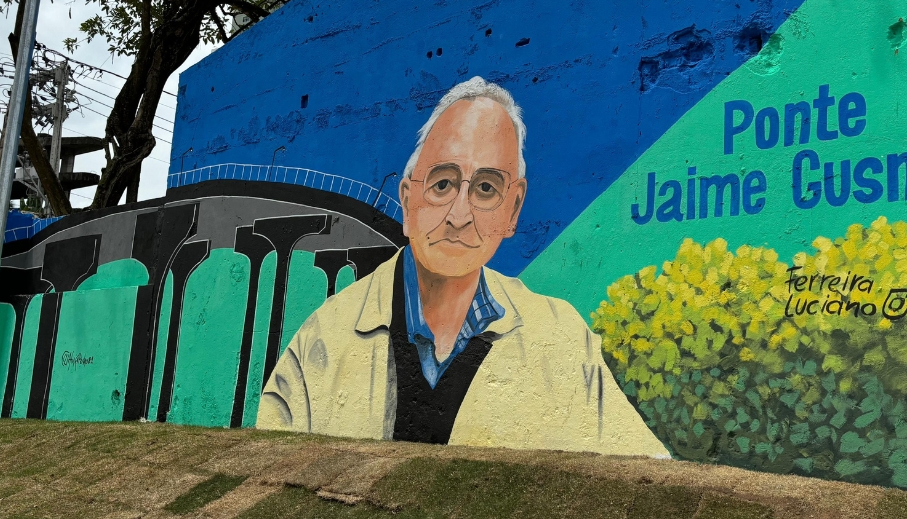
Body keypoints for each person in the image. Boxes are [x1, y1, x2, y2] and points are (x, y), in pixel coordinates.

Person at [257, 76, 667, 457]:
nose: (458, 215)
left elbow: (647, 480)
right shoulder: (322, 342)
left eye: (486, 189)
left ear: (514, 208)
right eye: (442, 184)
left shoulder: (563, 339)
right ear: (407, 200)